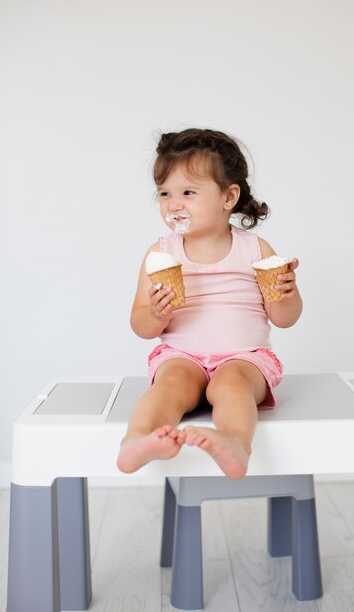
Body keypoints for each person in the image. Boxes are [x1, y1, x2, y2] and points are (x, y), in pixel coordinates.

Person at [117, 128, 302, 479]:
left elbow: (283, 318)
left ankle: (233, 442)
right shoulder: (160, 253)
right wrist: (155, 314)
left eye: (188, 192)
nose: (173, 204)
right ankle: (136, 440)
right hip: (182, 357)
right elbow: (140, 325)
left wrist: (287, 294)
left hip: (244, 358)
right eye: (165, 193)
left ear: (228, 197)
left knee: (230, 384)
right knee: (169, 385)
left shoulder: (255, 249)